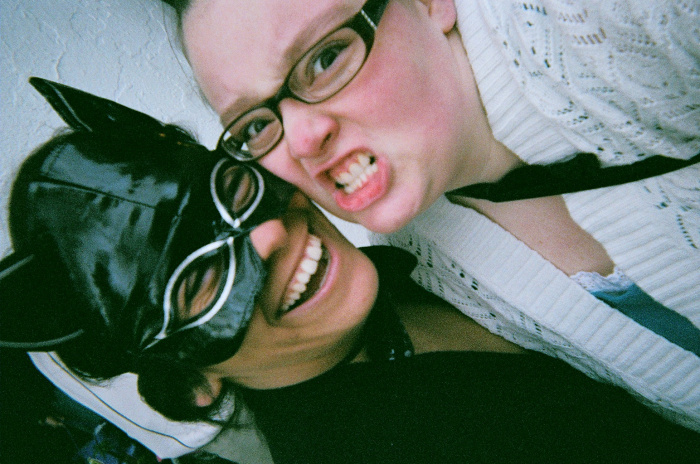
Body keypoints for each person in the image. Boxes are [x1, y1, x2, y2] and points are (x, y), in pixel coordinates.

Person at [2, 78, 699, 463]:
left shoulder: (413, 249)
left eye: (234, 192)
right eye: (201, 283)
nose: (270, 234)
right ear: (191, 382)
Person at [157, 0, 700, 429]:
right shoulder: (423, 250)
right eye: (255, 125)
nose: (301, 141)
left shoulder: (607, 21)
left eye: (325, 58)